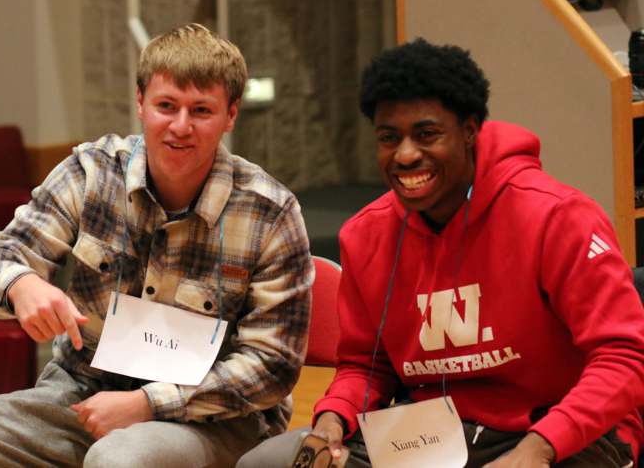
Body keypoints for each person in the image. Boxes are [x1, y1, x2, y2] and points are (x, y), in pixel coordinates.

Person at [0, 23, 313, 468]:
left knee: (121, 459)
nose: (180, 126)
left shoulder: (270, 212)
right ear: (140, 103)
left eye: (201, 111)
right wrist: (21, 285)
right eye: (166, 106)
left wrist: (150, 404)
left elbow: (272, 366)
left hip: (216, 416)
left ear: (231, 115)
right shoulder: (93, 172)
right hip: (84, 391)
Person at [237, 38, 644, 467]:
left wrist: (538, 448)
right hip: (434, 434)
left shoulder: (558, 217)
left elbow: (624, 357)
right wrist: (332, 421)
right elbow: (366, 364)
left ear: (470, 131)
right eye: (389, 138)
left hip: (564, 433)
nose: (406, 154)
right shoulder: (366, 235)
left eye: (427, 134)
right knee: (268, 463)